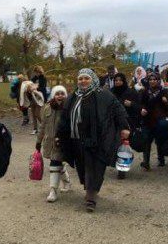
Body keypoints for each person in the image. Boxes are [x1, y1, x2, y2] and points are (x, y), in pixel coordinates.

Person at [56, 68, 130, 212]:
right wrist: (60, 135)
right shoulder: (73, 97)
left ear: (93, 79)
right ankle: (90, 188)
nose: (83, 81)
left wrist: (124, 127)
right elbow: (64, 118)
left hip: (98, 138)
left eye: (86, 78)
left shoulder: (104, 95)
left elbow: (118, 110)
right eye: (80, 79)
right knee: (83, 166)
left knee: (94, 167)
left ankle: (91, 197)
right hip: (77, 139)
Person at [36, 85, 72, 202]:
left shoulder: (69, 108)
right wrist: (38, 141)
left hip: (62, 142)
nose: (60, 96)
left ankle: (53, 190)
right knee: (57, 163)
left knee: (54, 163)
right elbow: (42, 126)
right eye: (57, 93)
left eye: (62, 93)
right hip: (49, 142)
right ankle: (66, 182)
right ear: (53, 95)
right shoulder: (47, 108)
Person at [110, 72, 141, 179]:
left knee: (124, 146)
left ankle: (121, 169)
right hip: (113, 123)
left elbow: (139, 107)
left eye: (120, 80)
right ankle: (117, 163)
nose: (118, 82)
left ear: (123, 81)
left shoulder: (131, 92)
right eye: (116, 80)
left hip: (127, 122)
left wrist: (131, 104)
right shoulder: (111, 93)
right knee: (115, 145)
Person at [140, 73, 168, 169]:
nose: (152, 81)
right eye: (150, 80)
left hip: (159, 120)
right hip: (147, 119)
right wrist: (142, 109)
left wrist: (166, 102)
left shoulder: (163, 91)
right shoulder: (145, 91)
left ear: (158, 80)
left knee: (159, 140)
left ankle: (161, 160)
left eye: (154, 79)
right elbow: (141, 103)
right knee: (146, 140)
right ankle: (146, 162)